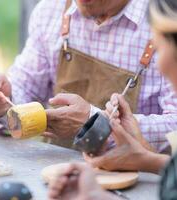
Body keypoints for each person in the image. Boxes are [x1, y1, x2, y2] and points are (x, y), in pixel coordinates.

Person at [0, 0, 177, 152]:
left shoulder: (167, 19)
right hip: (60, 171)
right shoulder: (51, 11)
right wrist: (3, 102)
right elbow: (25, 86)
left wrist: (96, 125)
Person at [48, 0, 177, 199]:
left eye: (161, 48)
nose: (159, 65)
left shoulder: (158, 15)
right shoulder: (53, 10)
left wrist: (94, 120)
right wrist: (145, 159)